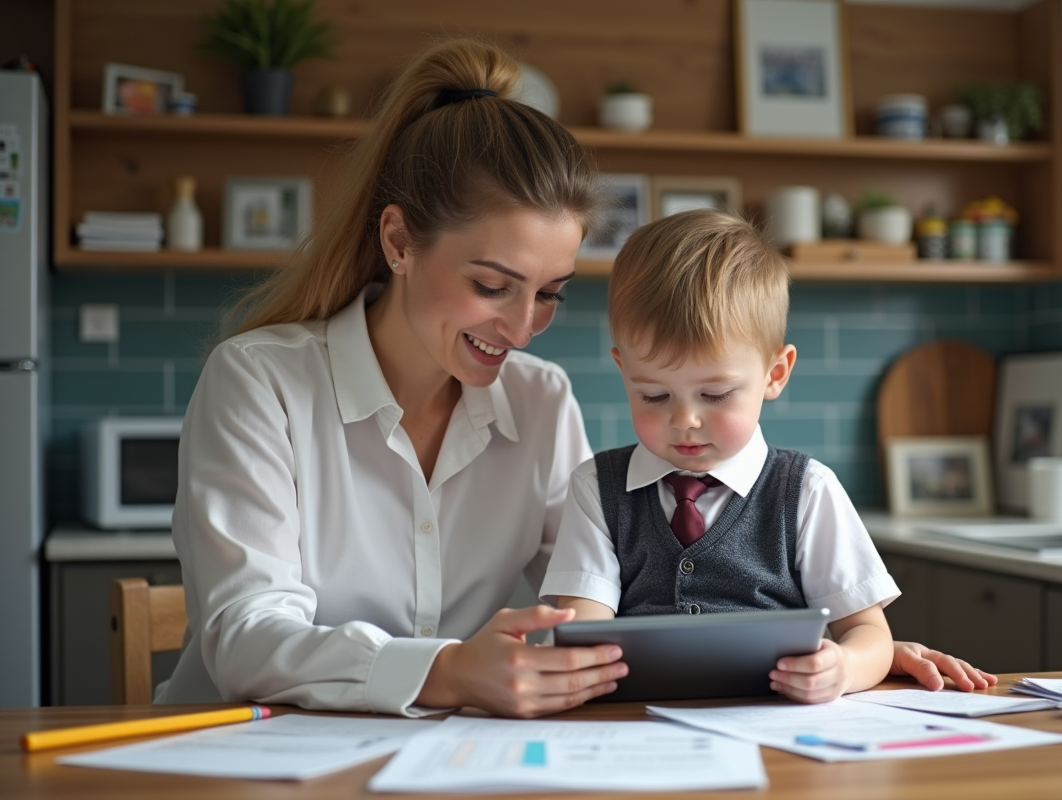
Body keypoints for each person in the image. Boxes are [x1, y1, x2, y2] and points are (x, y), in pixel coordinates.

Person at [159, 38, 992, 719]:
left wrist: (853, 653)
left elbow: (618, 594)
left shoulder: (539, 397)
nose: (523, 328)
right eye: (493, 286)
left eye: (550, 293)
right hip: (239, 751)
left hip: (452, 753)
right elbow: (244, 636)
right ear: (399, 241)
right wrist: (447, 671)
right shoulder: (259, 381)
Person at [541, 209, 996, 703]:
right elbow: (584, 635)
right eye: (653, 395)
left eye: (715, 395)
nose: (684, 420)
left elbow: (870, 634)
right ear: (623, 370)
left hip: (777, 727)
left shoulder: (807, 490)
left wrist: (843, 667)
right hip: (639, 724)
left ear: (775, 374)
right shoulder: (596, 487)